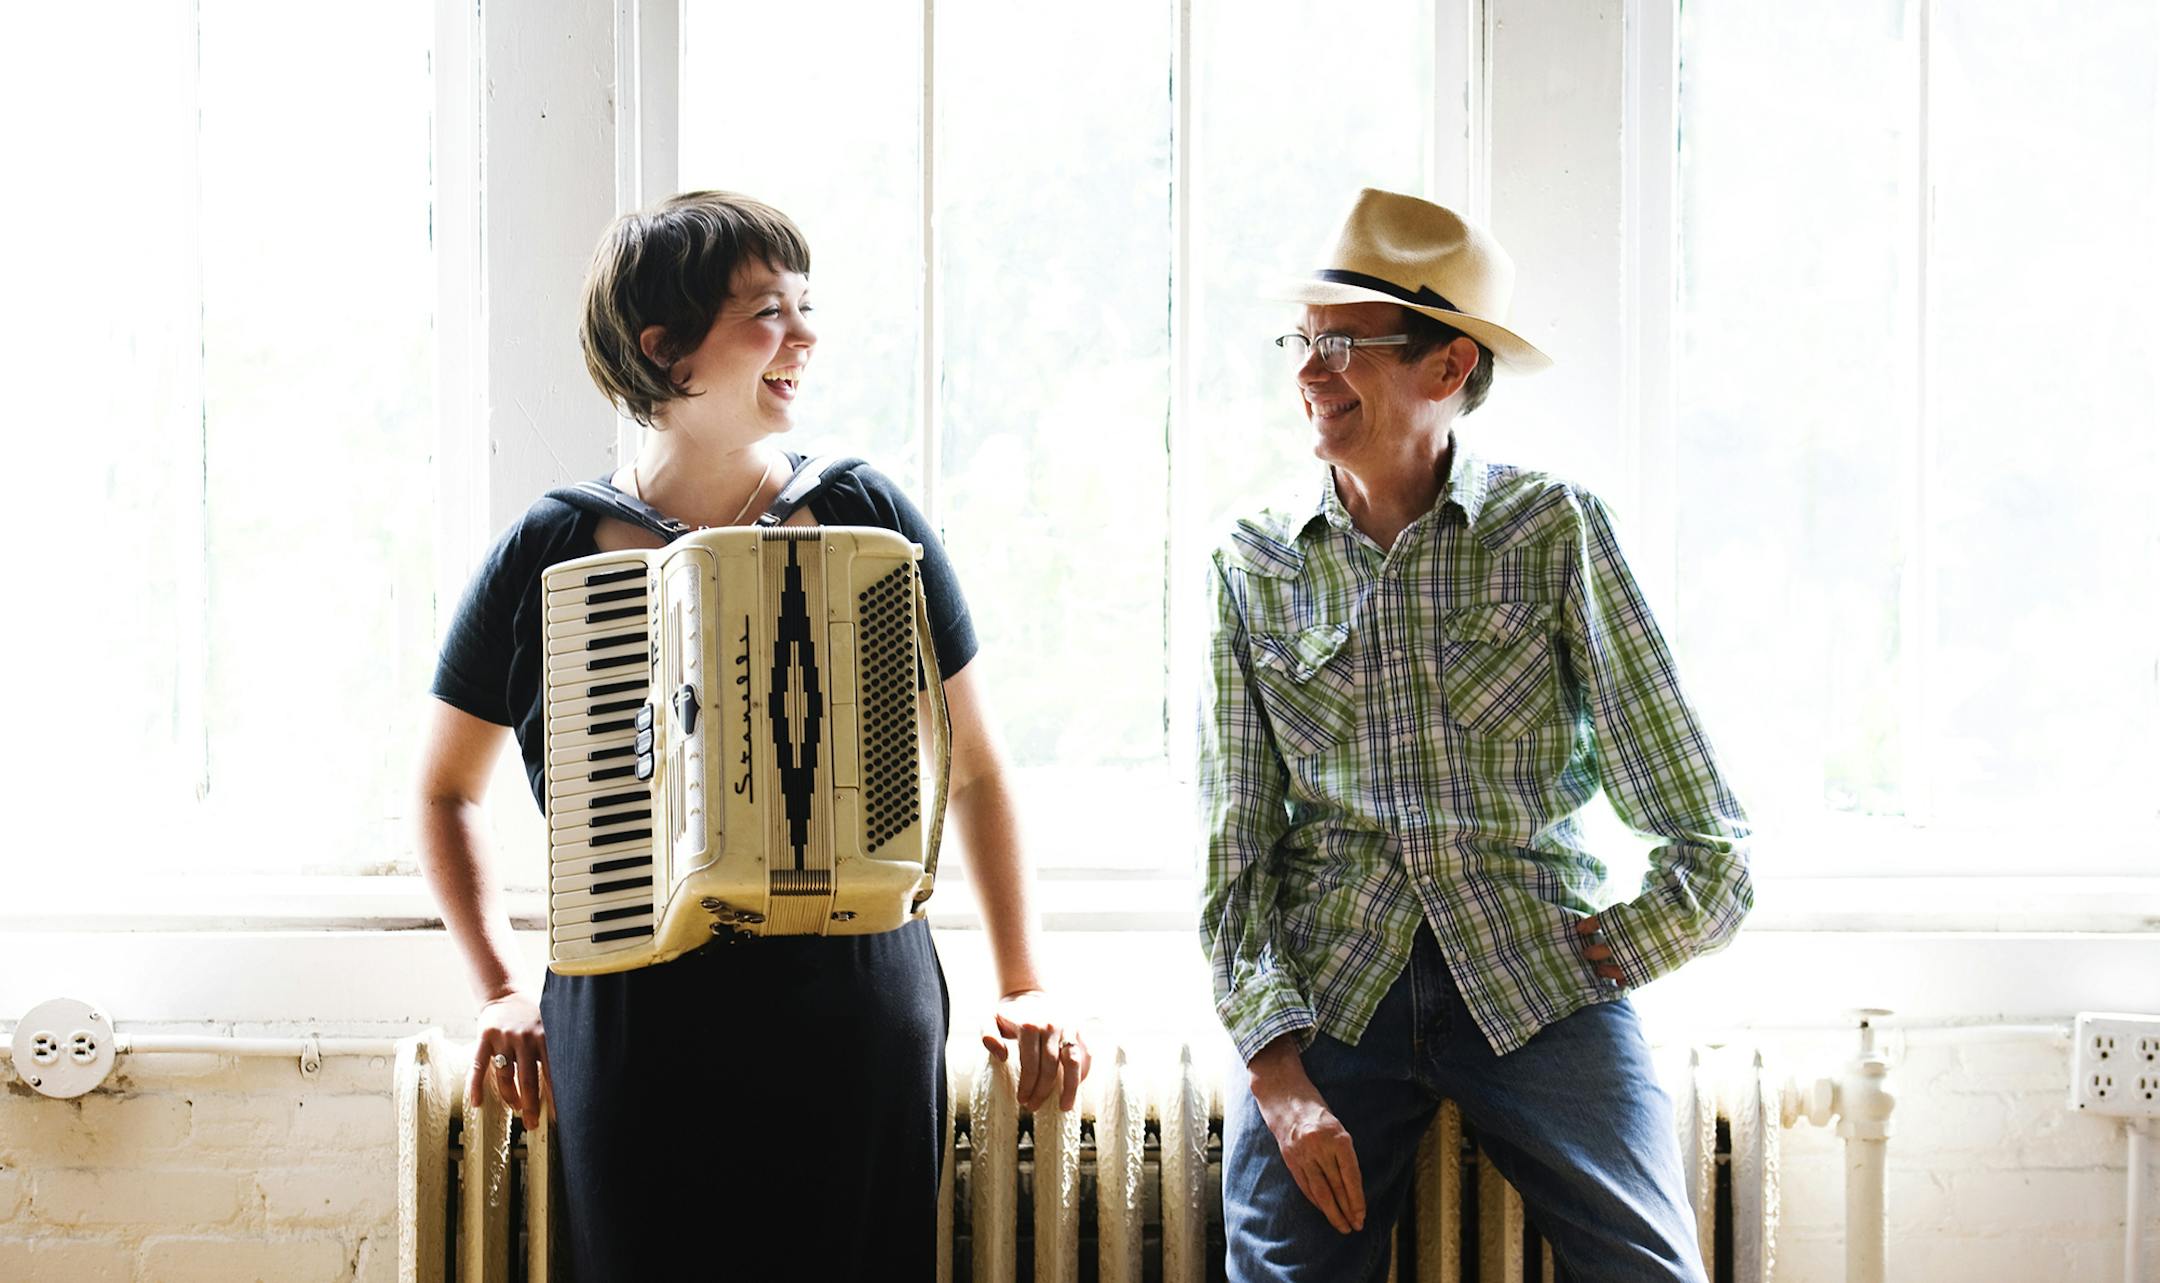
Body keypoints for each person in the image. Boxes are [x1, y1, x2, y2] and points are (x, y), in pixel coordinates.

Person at [416, 190, 1088, 1280]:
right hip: (637, 1014)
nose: (806, 336)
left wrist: (1025, 981)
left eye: (806, 306)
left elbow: (977, 767)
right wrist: (496, 984)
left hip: (856, 1005)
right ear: (665, 346)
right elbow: (445, 789)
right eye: (770, 310)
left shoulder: (870, 514)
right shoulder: (545, 548)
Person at [1198, 188, 1752, 1282]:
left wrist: (1616, 947)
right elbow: (1235, 848)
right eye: (1303, 341)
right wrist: (1277, 1073)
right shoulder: (1253, 560)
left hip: (1537, 978)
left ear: (1447, 368)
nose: (1309, 371)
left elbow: (1707, 835)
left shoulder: (1552, 531)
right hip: (1333, 991)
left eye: (1344, 343)